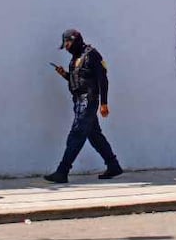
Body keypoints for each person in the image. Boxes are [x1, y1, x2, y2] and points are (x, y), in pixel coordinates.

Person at [44, 29, 122, 183]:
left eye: (67, 42)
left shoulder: (91, 54)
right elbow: (79, 82)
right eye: (64, 44)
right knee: (94, 136)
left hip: (89, 101)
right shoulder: (75, 59)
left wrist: (104, 103)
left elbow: (103, 80)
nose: (66, 46)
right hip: (79, 101)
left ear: (75, 40)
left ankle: (62, 171)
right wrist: (65, 75)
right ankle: (113, 165)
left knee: (76, 134)